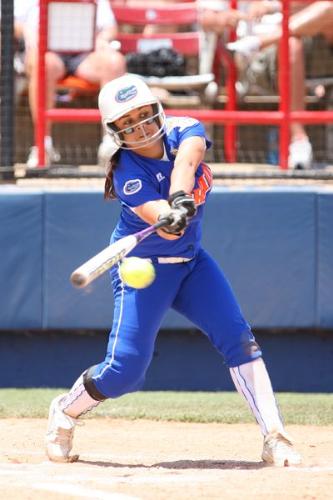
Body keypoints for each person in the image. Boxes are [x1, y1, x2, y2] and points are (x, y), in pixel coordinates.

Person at [45, 74, 301, 467]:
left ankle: (275, 436)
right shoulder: (127, 173)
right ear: (116, 133)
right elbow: (158, 216)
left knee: (239, 340)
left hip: (193, 266)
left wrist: (180, 196)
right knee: (125, 372)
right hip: (142, 269)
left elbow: (188, 158)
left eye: (147, 116)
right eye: (130, 123)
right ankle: (65, 410)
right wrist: (170, 215)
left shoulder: (185, 129)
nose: (143, 128)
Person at [200, 0, 320, 170]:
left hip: (299, 47)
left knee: (293, 42)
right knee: (290, 43)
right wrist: (225, 18)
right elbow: (206, 19)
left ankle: (299, 140)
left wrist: (272, 6)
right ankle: (298, 138)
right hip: (245, 58)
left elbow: (315, 6)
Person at [17, 0, 126, 168]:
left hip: (86, 55)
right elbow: (15, 22)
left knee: (114, 62)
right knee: (43, 64)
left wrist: (101, 39)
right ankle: (42, 146)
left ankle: (110, 144)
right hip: (46, 53)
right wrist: (29, 34)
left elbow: (110, 27)